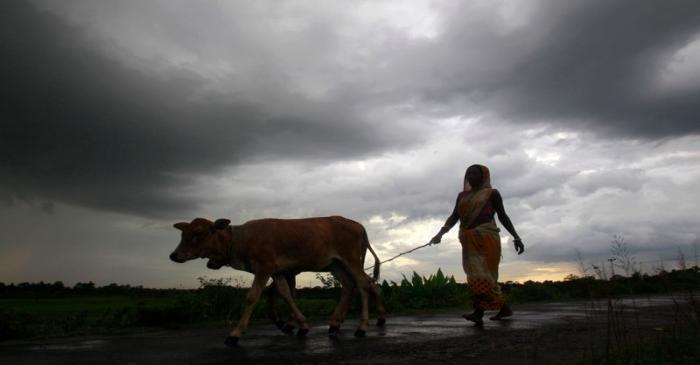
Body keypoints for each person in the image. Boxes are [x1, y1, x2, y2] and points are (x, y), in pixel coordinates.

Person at [430, 164, 524, 325]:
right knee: (474, 275)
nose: (471, 176)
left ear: (484, 176)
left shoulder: (492, 194)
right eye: (468, 173)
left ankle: (479, 313)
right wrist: (440, 234)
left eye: (475, 173)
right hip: (468, 240)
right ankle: (500, 309)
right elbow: (454, 217)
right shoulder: (461, 196)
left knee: (484, 276)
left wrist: (516, 237)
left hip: (487, 238)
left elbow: (503, 216)